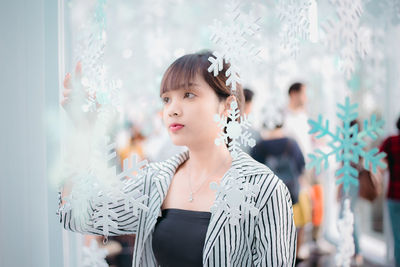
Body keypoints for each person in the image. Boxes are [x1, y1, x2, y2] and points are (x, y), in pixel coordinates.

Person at [59, 50, 297, 266]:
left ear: (227, 106)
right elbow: (77, 214)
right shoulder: (155, 181)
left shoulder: (263, 189)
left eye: (189, 94)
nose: (172, 109)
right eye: (166, 99)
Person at [380, 116, 400, 267]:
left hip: (394, 196)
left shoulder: (390, 141)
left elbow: (380, 166)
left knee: (397, 237)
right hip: (393, 196)